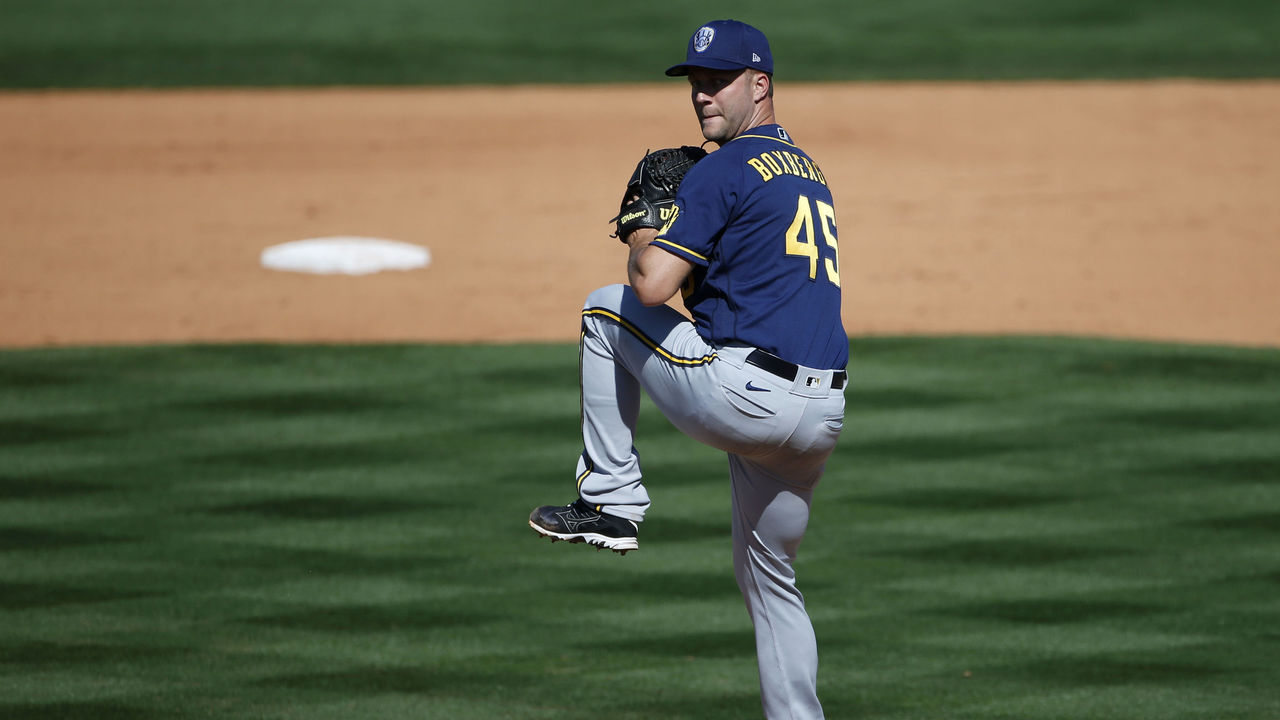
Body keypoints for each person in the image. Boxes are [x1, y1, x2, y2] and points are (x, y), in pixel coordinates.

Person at [529, 19, 846, 720]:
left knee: (605, 308)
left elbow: (651, 285)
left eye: (719, 80)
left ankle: (611, 501)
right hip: (819, 418)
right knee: (771, 582)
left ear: (760, 85)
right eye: (696, 82)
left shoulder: (725, 166)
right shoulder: (807, 171)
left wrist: (644, 224)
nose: (703, 95)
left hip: (749, 397)